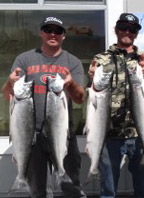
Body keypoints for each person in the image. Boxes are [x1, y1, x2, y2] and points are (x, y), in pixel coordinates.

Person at [2, 16, 86, 198]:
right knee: (38, 191)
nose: (52, 34)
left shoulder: (73, 62)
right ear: (41, 33)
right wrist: (9, 83)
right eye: (48, 30)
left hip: (63, 134)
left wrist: (70, 85)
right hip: (32, 136)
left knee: (72, 189)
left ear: (64, 35)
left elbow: (80, 98)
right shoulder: (24, 59)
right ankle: (21, 179)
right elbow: (8, 95)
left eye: (57, 31)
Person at [88, 13, 144, 198]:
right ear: (116, 29)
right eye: (123, 27)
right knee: (108, 190)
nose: (127, 32)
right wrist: (90, 77)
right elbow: (91, 91)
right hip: (110, 134)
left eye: (132, 29)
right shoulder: (102, 58)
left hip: (138, 134)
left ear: (136, 33)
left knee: (143, 189)